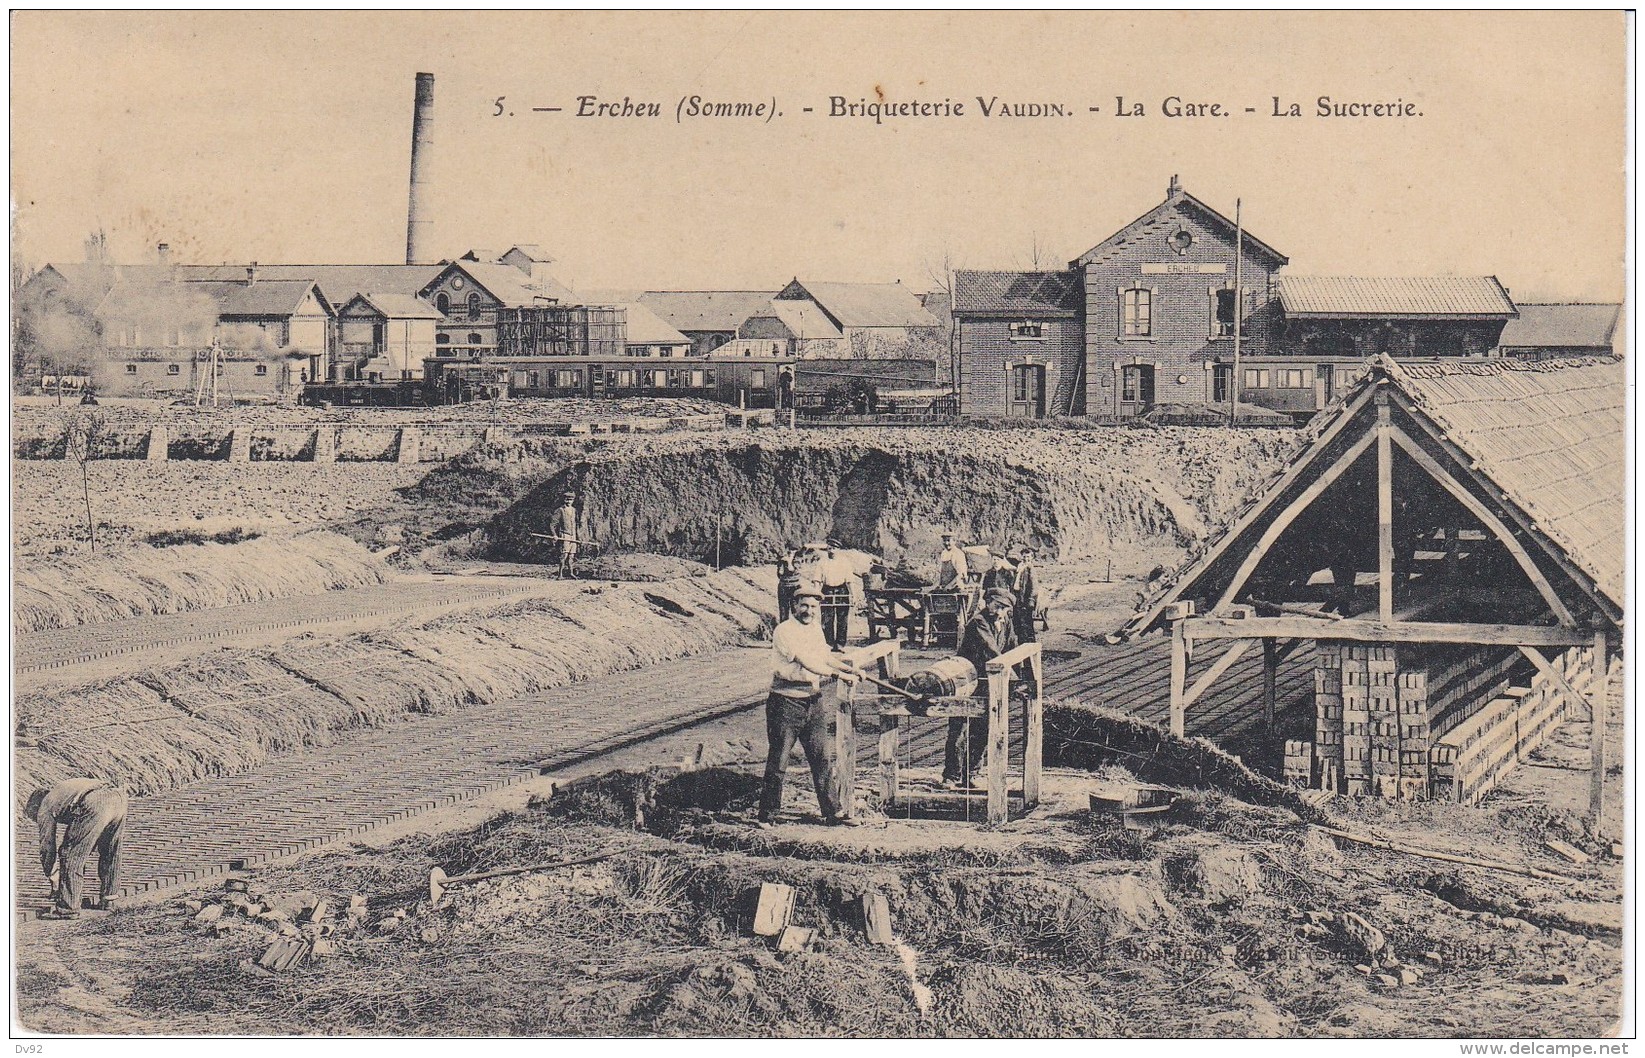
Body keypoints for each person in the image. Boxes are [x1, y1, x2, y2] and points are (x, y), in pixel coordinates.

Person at [758, 586, 862, 828]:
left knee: (822, 758)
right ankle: (767, 815)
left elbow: (824, 656)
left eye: (814, 606)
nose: (809, 610)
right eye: (804, 605)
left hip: (812, 702)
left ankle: (833, 811)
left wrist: (850, 668)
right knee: (779, 761)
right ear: (794, 606)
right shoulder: (785, 631)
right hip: (785, 702)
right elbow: (807, 662)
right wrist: (838, 674)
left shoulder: (816, 629)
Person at [942, 587, 1020, 788]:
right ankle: (951, 775)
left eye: (1004, 609)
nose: (1000, 612)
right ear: (988, 602)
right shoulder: (978, 622)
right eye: (997, 606)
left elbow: (1012, 648)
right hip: (967, 681)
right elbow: (990, 650)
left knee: (983, 729)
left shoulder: (1006, 623)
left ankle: (971, 774)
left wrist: (1020, 677)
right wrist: (1012, 678)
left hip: (988, 683)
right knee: (959, 729)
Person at [26, 778, 128, 918]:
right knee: (111, 850)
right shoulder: (62, 794)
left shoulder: (44, 806)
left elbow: (47, 847)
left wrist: (53, 878)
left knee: (69, 854)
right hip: (119, 798)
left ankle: (68, 908)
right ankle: (109, 900)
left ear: (34, 807)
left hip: (95, 801)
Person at [817, 539, 856, 649]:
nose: (832, 551)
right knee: (827, 619)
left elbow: (849, 580)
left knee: (842, 619)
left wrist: (853, 595)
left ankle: (840, 644)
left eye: (834, 548)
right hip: (827, 590)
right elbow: (817, 580)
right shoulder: (822, 562)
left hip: (842, 590)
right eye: (829, 548)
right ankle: (828, 644)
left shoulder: (845, 562)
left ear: (839, 550)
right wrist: (816, 594)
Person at [1006, 545, 1042, 644]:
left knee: (1027, 623)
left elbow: (1034, 587)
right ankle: (1022, 643)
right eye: (1024, 556)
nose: (1026, 559)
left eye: (1028, 557)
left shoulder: (1031, 569)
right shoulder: (1019, 566)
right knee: (1017, 621)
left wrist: (1030, 602)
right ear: (1021, 556)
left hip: (1025, 599)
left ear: (1032, 558)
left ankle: (1030, 644)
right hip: (1017, 596)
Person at [550, 491, 582, 579]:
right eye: (567, 499)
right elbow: (552, 524)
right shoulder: (560, 510)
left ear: (573, 501)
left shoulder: (574, 510)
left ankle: (571, 573)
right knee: (564, 555)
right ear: (564, 500)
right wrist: (554, 535)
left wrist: (578, 537)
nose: (568, 501)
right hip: (565, 535)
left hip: (573, 536)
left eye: (570, 500)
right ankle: (560, 575)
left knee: (571, 556)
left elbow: (577, 525)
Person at [776, 547, 803, 622]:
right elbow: (780, 573)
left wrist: (788, 561)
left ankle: (797, 630)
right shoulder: (783, 559)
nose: (790, 553)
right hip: (783, 586)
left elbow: (792, 569)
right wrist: (781, 563)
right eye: (789, 551)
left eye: (792, 551)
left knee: (796, 610)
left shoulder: (797, 559)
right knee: (783, 611)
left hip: (795, 587)